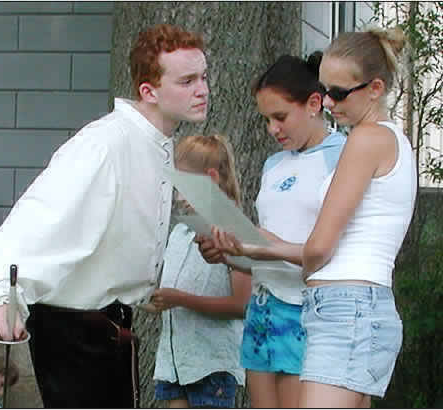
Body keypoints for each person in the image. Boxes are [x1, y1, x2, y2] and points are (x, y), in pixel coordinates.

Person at [0, 23, 209, 408]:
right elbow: (38, 215)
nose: (203, 90)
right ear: (149, 91)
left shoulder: (153, 144)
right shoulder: (103, 145)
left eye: (204, 77)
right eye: (188, 80)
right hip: (73, 333)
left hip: (105, 328)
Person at [198, 53, 346, 407]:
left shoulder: (342, 156)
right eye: (266, 119)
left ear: (314, 104)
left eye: (280, 117)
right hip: (264, 307)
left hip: (308, 309)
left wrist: (268, 245)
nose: (272, 129)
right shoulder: (273, 165)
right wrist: (229, 253)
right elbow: (264, 251)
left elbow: (337, 247)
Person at [298, 26, 416, 408]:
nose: (327, 103)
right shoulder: (389, 140)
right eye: (323, 89)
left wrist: (306, 268)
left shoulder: (366, 140)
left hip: (346, 309)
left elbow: (320, 244)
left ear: (375, 88)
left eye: (338, 92)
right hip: (354, 308)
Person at [149, 135, 251, 408]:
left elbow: (242, 305)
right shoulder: (181, 231)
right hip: (175, 362)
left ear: (211, 178)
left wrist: (180, 300)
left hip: (212, 364)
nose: (178, 196)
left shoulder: (233, 230)